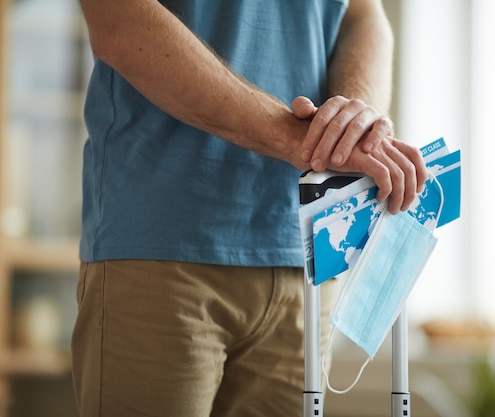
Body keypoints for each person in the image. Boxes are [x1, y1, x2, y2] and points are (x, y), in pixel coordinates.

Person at [71, 1, 428, 416]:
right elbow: (119, 19)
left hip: (306, 255)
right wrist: (295, 138)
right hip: (163, 242)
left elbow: (362, 14)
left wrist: (349, 127)